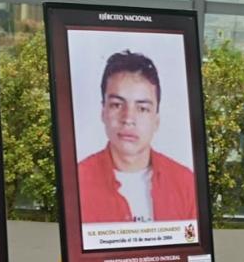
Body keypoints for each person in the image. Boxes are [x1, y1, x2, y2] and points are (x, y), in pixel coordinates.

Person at [77, 51, 197, 224]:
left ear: (156, 119)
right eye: (117, 105)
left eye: (142, 108)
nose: (128, 119)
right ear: (103, 112)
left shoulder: (185, 183)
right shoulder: (77, 182)